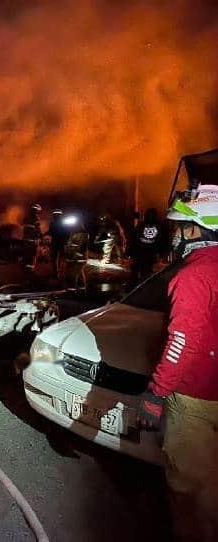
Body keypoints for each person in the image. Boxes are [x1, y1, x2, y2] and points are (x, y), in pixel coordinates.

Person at [137, 185, 218, 541]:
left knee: (191, 490)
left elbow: (181, 343)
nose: (174, 236)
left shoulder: (191, 277)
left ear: (196, 228)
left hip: (196, 400)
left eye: (180, 227)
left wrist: (156, 393)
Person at [131, 208, 162, 283]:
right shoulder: (157, 226)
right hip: (144, 253)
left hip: (145, 253)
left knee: (143, 270)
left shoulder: (142, 226)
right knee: (142, 270)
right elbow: (135, 238)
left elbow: (134, 238)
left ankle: (138, 285)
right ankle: (137, 285)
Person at [46, 209, 67, 279]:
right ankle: (59, 272)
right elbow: (67, 233)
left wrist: (43, 234)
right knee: (60, 258)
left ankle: (57, 273)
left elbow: (50, 232)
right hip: (60, 243)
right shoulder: (63, 223)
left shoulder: (53, 223)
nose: (56, 216)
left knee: (55, 258)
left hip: (56, 242)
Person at [22, 203, 43, 271]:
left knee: (27, 254)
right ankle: (31, 269)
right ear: (36, 210)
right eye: (38, 210)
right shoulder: (35, 218)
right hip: (33, 240)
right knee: (33, 254)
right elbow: (38, 229)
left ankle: (26, 267)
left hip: (26, 240)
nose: (39, 212)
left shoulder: (26, 217)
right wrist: (41, 236)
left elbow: (25, 228)